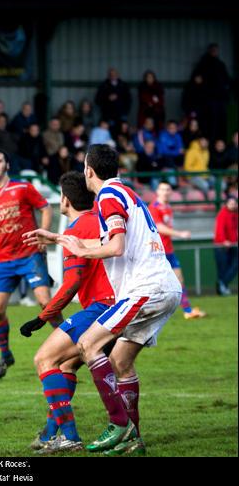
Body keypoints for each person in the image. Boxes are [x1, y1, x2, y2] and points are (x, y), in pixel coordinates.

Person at [51, 143, 182, 455]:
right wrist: (59, 238)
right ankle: (133, 440)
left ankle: (118, 422)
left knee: (87, 344)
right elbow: (110, 238)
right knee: (120, 361)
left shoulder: (108, 196)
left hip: (146, 289)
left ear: (88, 171)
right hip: (165, 288)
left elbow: (116, 246)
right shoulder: (126, 193)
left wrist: (81, 250)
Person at [20, 172, 117, 454]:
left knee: (43, 359)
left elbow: (72, 283)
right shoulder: (97, 220)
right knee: (66, 366)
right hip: (117, 308)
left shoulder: (75, 229)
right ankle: (50, 433)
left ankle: (71, 436)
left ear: (65, 199)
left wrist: (42, 317)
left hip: (100, 307)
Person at [0, 149, 53, 380]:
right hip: (4, 260)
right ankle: (5, 354)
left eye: (0, 161)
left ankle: (72, 348)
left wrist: (44, 235)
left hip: (30, 255)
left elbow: (46, 208)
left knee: (46, 303)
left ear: (7, 165)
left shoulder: (23, 188)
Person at [148, 182, 206, 319]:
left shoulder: (167, 207)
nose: (166, 192)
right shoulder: (154, 207)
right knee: (154, 284)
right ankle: (147, 311)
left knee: (179, 279)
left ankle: (188, 310)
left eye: (168, 189)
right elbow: (159, 227)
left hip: (168, 250)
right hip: (157, 252)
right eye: (163, 189)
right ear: (157, 191)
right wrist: (180, 234)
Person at [214, 195, 238, 296]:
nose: (233, 205)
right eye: (231, 203)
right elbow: (220, 229)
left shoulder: (235, 214)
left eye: (234, 203)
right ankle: (222, 287)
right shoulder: (222, 214)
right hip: (221, 246)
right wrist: (224, 241)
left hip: (233, 245)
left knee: (233, 266)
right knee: (223, 268)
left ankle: (222, 284)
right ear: (226, 204)